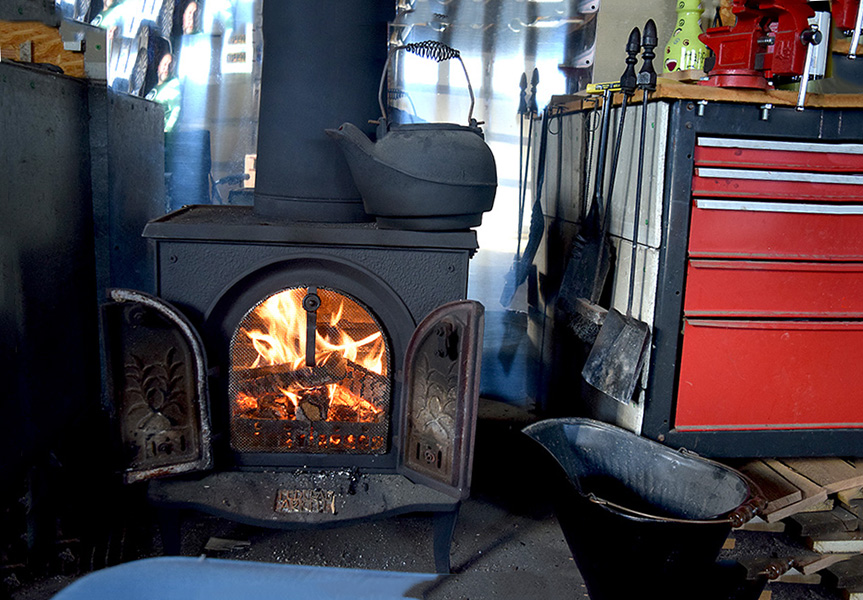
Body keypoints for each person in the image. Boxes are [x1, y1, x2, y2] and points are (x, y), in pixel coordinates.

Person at [146, 50, 182, 131]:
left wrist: (166, 133)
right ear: (159, 67)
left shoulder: (173, 86)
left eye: (170, 65)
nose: (167, 68)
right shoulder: (156, 87)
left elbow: (176, 111)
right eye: (165, 64)